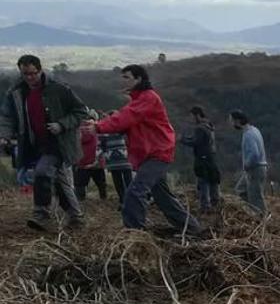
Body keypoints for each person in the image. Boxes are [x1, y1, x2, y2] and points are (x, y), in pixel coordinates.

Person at [85, 65, 205, 237]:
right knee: (164, 198)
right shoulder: (139, 100)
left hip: (158, 153)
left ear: (139, 79)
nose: (122, 80)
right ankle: (193, 229)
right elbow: (126, 121)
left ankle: (134, 236)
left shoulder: (148, 98)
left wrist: (99, 126)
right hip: (151, 154)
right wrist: (103, 125)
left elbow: (127, 117)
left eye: (127, 77)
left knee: (135, 192)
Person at [0, 54, 87, 230]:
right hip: (34, 143)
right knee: (59, 181)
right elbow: (7, 117)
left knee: (42, 172)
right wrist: (5, 135)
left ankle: (42, 214)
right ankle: (76, 217)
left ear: (40, 70)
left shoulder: (59, 89)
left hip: (58, 143)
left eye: (33, 73)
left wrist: (61, 125)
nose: (30, 78)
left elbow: (80, 112)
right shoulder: (16, 92)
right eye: (25, 74)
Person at [181, 106, 221, 213]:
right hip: (211, 157)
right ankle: (215, 202)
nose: (191, 119)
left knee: (203, 181)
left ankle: (205, 207)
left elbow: (195, 142)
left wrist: (182, 140)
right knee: (213, 179)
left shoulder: (199, 128)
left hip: (202, 158)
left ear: (197, 115)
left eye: (192, 116)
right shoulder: (209, 126)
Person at [229, 109, 268, 217]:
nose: (231, 124)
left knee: (256, 196)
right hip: (257, 168)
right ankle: (251, 212)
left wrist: (247, 164)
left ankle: (261, 218)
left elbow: (254, 154)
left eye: (232, 121)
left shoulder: (248, 134)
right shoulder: (254, 130)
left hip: (255, 169)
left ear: (237, 121)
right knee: (240, 189)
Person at [97, 111, 132, 205]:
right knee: (118, 181)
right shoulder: (105, 130)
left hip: (124, 159)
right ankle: (123, 200)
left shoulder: (123, 128)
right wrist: (103, 155)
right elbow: (99, 144)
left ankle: (130, 201)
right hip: (113, 159)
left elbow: (130, 140)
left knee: (128, 180)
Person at [74, 111, 108, 201]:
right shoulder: (97, 128)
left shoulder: (78, 129)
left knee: (80, 184)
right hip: (96, 161)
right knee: (101, 184)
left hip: (82, 161)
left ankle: (80, 200)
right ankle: (103, 198)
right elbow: (102, 146)